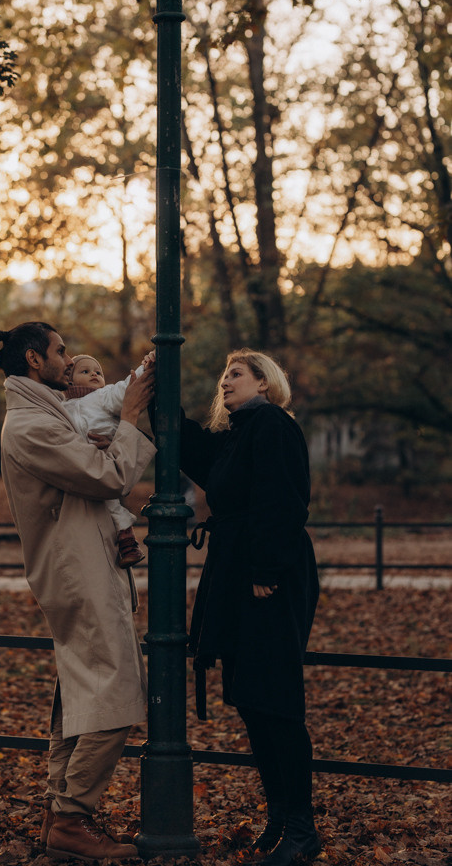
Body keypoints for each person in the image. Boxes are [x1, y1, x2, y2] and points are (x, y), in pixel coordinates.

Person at [0, 322, 155, 862]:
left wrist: (104, 434)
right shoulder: (30, 425)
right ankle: (71, 817)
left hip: (83, 568)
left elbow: (91, 465)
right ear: (35, 360)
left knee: (82, 696)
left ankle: (60, 815)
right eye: (60, 351)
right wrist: (129, 418)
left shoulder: (49, 415)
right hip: (77, 573)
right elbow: (109, 478)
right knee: (118, 691)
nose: (68, 358)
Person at [181, 349, 320, 866]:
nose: (225, 382)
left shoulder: (273, 425)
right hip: (238, 570)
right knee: (252, 699)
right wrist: (155, 394)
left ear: (264, 383)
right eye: (223, 375)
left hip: (269, 573)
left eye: (236, 374)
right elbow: (193, 448)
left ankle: (302, 830)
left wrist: (266, 569)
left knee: (274, 698)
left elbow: (283, 499)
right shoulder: (237, 435)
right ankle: (280, 820)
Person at [64, 353, 149, 568]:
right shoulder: (61, 407)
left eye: (98, 372)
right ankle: (124, 542)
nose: (94, 374)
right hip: (81, 461)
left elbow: (126, 389)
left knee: (110, 502)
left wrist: (146, 366)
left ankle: (128, 542)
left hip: (107, 455)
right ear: (69, 380)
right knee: (100, 504)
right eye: (85, 371)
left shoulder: (103, 396)